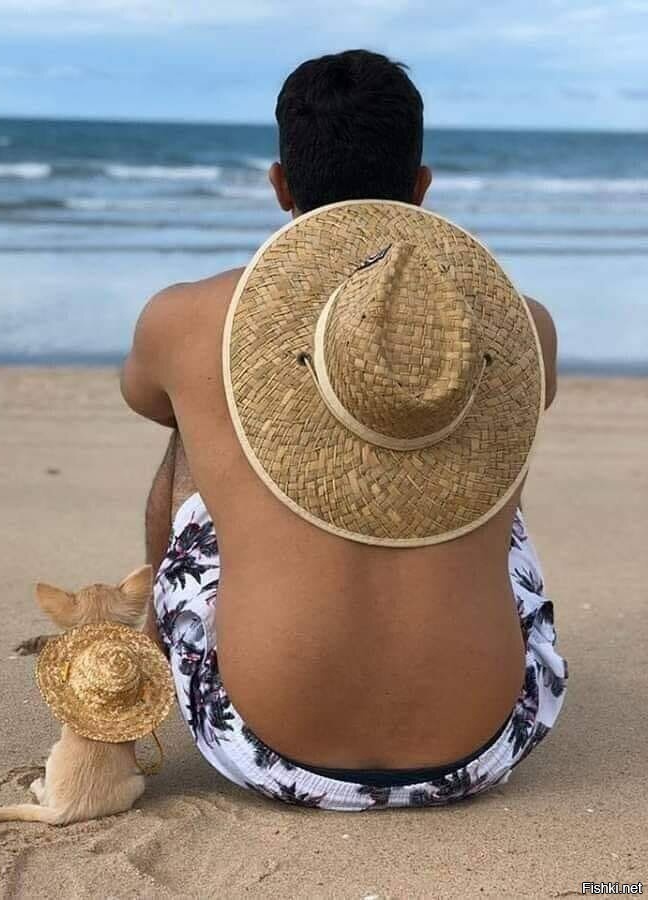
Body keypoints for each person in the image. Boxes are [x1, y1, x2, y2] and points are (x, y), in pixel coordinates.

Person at [120, 49, 566, 810]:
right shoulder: (524, 327)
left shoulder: (184, 317)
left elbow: (145, 397)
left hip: (259, 745)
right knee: (478, 453)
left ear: (280, 184)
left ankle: (154, 664)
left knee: (198, 423)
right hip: (487, 743)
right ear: (421, 186)